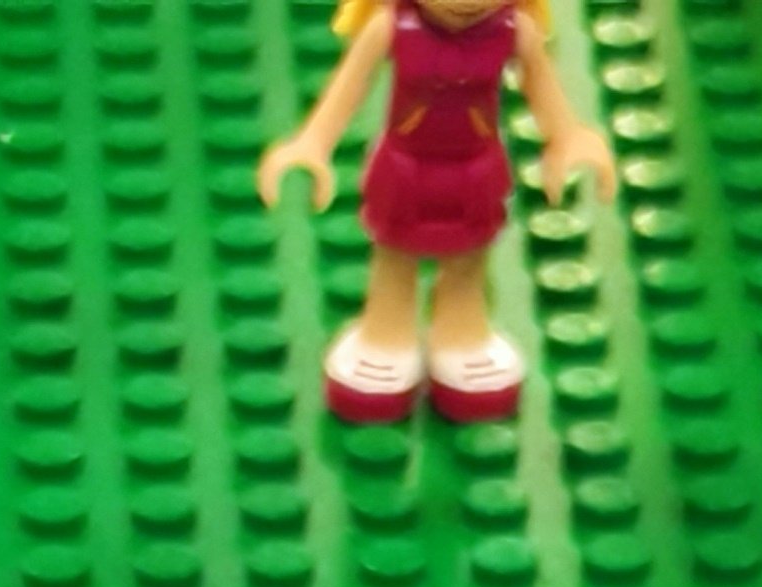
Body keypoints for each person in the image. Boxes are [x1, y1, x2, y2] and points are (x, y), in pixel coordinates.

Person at [257, 0, 617, 424]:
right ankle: (385, 335)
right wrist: (313, 142)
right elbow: (349, 86)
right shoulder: (391, 26)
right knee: (394, 257)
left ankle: (461, 336)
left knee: (467, 260)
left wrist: (568, 138)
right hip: (405, 166)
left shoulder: (514, 31)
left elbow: (542, 86)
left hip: (475, 168)